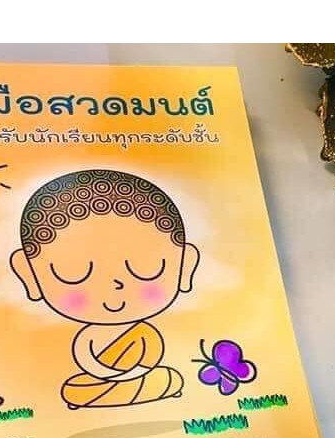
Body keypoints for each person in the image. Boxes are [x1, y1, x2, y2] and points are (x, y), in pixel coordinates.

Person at [10, 169, 200, 409]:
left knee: (167, 378)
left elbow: (148, 359)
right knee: (76, 389)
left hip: (139, 378)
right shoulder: (88, 338)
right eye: (74, 273)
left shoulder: (145, 334)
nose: (114, 286)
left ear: (185, 266)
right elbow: (89, 362)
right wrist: (112, 375)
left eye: (145, 268)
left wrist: (129, 374)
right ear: (29, 275)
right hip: (107, 381)